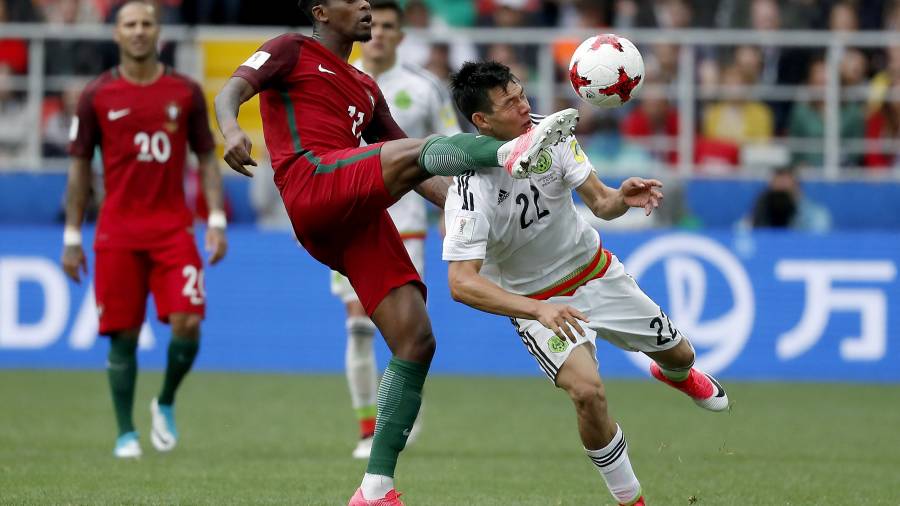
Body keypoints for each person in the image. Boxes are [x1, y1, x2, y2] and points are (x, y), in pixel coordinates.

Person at [212, 1, 578, 503]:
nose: (365, 5)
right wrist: (232, 130)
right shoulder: (289, 50)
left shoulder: (367, 89)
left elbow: (416, 163)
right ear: (320, 11)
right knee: (421, 148)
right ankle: (511, 151)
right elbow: (229, 92)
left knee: (416, 338)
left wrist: (460, 209)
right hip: (312, 180)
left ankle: (375, 486)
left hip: (352, 220)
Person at [443, 61, 730, 506]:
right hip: (539, 302)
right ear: (481, 121)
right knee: (587, 392)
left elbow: (599, 201)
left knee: (682, 353)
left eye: (522, 94)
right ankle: (630, 498)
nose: (525, 106)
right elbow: (461, 283)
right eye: (510, 103)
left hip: (595, 272)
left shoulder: (552, 133)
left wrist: (622, 197)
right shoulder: (469, 189)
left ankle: (675, 374)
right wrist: (537, 310)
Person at [61, 0, 228, 459]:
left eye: (146, 24)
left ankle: (166, 400)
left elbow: (207, 157)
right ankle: (124, 433)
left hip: (173, 228)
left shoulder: (185, 92)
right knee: (124, 335)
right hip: (116, 232)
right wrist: (72, 237)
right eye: (129, 24)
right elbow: (78, 171)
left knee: (189, 322)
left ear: (159, 32)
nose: (138, 31)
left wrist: (214, 220)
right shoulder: (96, 95)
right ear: (116, 34)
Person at [332, 0, 462, 460]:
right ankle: (368, 429)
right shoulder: (337, 82)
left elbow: (448, 149)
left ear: (402, 36)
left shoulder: (424, 88)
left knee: (400, 332)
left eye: (390, 26)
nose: (381, 33)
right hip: (350, 222)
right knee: (357, 330)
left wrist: (453, 208)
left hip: (407, 226)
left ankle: (398, 413)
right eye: (377, 25)